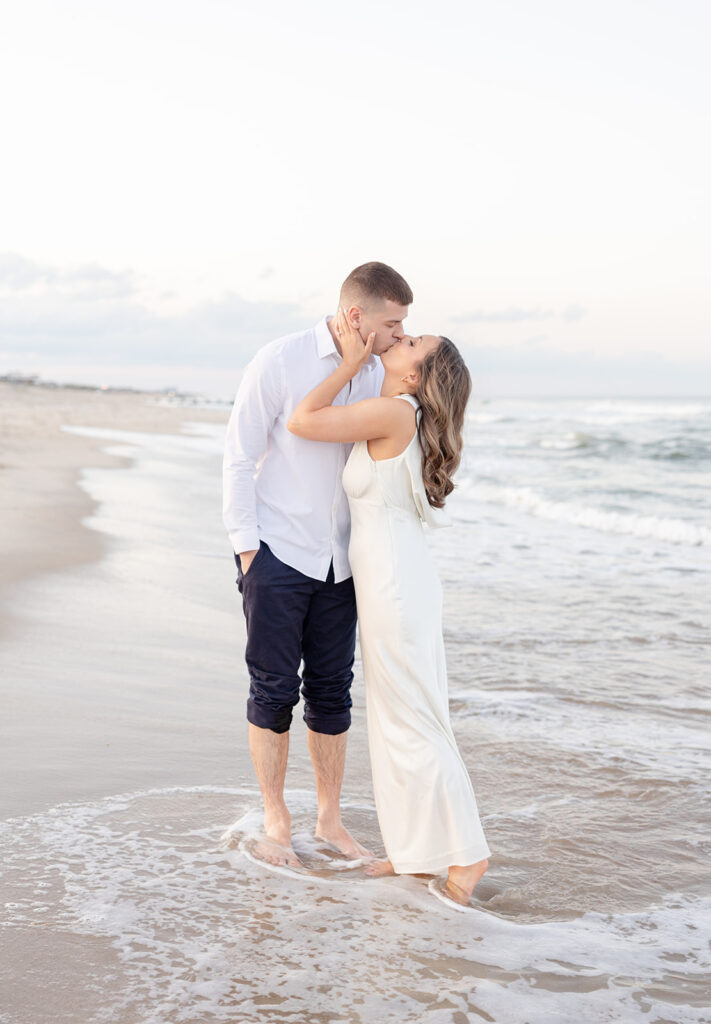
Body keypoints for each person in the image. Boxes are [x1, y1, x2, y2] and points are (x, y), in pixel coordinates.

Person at [287, 308, 490, 905]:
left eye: (411, 341)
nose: (401, 337)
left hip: (395, 583)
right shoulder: (402, 412)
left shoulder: (393, 411)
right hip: (395, 578)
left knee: (414, 721)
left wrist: (350, 361)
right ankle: (417, 853)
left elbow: (303, 420)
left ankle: (469, 855)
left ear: (416, 376)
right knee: (402, 717)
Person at [223, 262, 413, 867]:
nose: (398, 333)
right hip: (278, 551)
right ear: (357, 316)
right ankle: (276, 815)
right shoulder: (279, 361)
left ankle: (329, 819)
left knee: (333, 692)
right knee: (273, 689)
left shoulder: (381, 374)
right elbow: (238, 456)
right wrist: (247, 550)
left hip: (344, 560)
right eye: (394, 322)